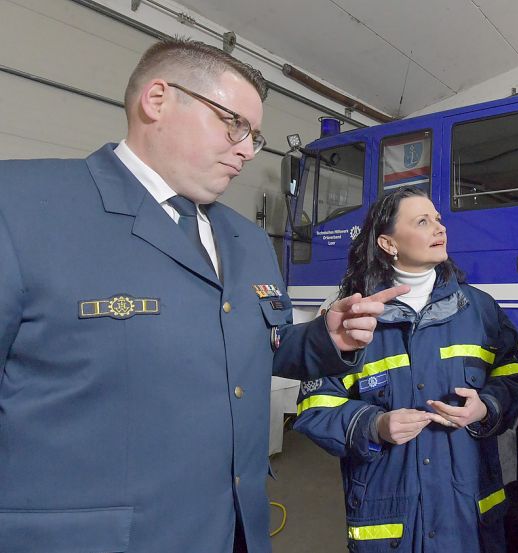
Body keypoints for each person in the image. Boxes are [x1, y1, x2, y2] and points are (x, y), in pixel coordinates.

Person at [0, 38, 406, 553]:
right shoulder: (21, 210)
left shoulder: (248, 240)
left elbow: (256, 346)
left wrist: (327, 338)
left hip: (232, 532)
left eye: (254, 137)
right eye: (233, 123)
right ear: (157, 100)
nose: (245, 148)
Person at [293, 187, 518, 553]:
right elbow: (314, 408)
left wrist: (486, 407)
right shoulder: (352, 318)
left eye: (438, 219)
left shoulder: (480, 309)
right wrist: (374, 425)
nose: (440, 228)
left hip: (467, 519)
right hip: (391, 525)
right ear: (389, 243)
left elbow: (516, 373)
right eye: (423, 221)